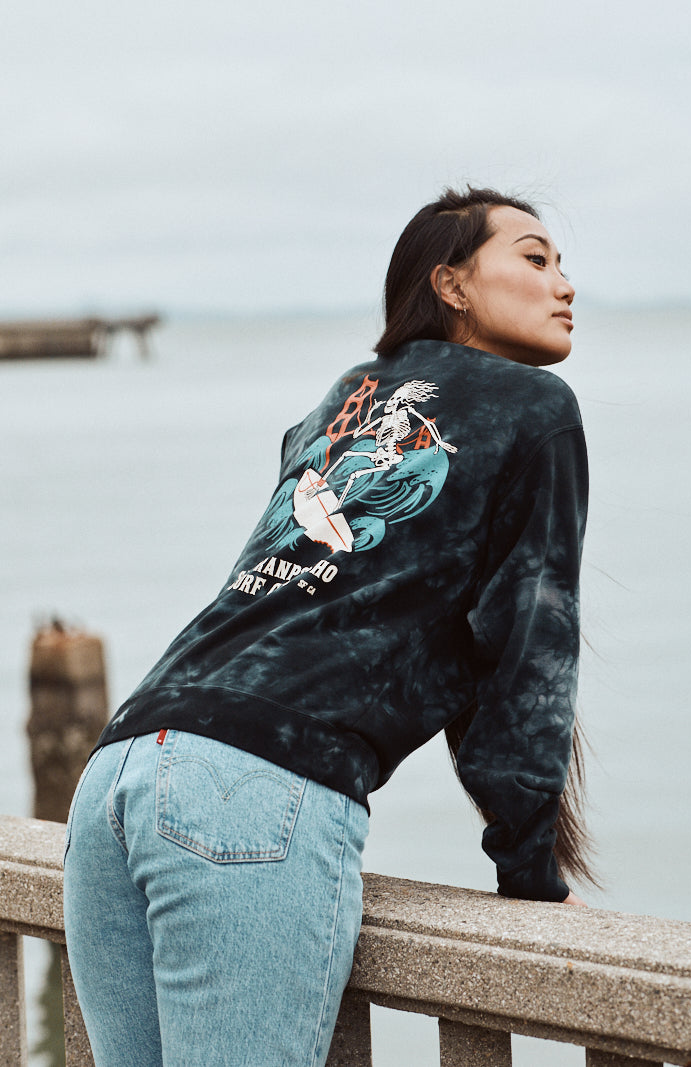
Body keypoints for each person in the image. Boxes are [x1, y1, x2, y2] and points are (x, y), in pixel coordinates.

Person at [63, 186, 593, 1067]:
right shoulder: (535, 408)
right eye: (535, 258)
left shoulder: (340, 399)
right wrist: (529, 873)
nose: (565, 283)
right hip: (255, 787)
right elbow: (528, 648)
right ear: (451, 283)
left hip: (118, 772)